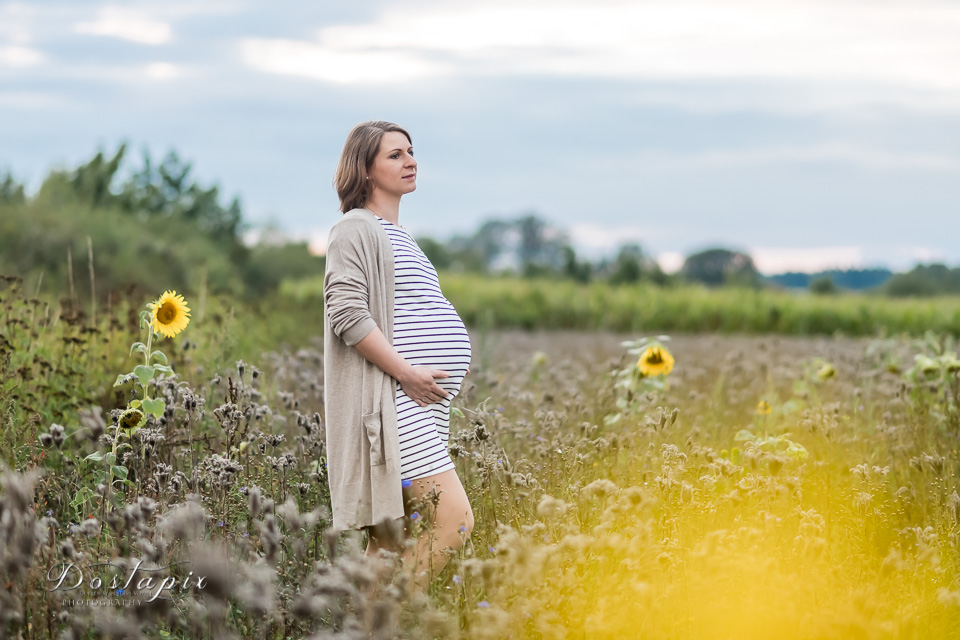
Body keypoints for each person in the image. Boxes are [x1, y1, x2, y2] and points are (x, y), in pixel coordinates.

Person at [323, 120, 475, 590]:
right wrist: (407, 375)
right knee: (455, 520)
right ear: (364, 170)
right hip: (396, 402)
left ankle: (365, 627)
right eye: (394, 154)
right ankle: (394, 619)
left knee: (389, 540)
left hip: (423, 406)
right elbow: (345, 313)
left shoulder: (399, 234)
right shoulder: (355, 228)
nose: (409, 161)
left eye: (411, 151)